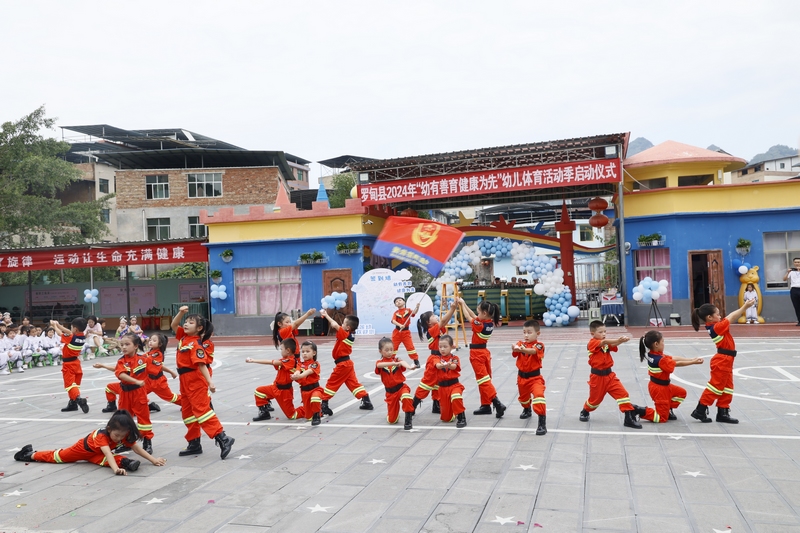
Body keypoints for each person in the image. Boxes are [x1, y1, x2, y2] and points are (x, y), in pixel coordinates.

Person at [13, 410, 166, 475]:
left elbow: (137, 448)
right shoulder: (102, 436)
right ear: (109, 428)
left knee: (107, 459)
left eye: (122, 436)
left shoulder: (122, 433)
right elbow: (107, 452)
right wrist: (115, 471)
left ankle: (126, 463)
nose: (119, 439)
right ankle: (29, 455)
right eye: (117, 435)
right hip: (81, 450)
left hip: (96, 454)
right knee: (58, 457)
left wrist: (153, 460)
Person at [171, 306, 235, 459]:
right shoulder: (183, 337)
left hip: (195, 379)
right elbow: (174, 325)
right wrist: (180, 313)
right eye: (186, 322)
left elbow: (201, 365)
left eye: (190, 323)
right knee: (187, 413)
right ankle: (194, 443)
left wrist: (210, 382)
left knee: (202, 411)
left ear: (199, 328)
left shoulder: (196, 344)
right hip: (184, 380)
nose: (186, 324)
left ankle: (223, 438)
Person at [690, 299, 755, 424]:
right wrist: (745, 307)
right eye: (718, 314)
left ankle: (723, 412)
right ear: (709, 317)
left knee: (728, 387)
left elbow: (729, 317)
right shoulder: (717, 327)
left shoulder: (715, 326)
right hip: (723, 360)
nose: (720, 316)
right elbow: (732, 317)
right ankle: (700, 409)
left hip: (727, 360)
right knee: (715, 387)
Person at [93, 333, 155, 454]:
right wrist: (136, 380)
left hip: (139, 393)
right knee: (123, 418)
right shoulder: (122, 360)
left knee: (143, 418)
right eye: (122, 345)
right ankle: (126, 442)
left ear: (136, 346)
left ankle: (147, 441)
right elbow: (120, 373)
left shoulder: (143, 359)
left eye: (127, 344)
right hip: (125, 393)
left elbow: (155, 367)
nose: (124, 347)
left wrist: (171, 372)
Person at [579, 321, 646, 429]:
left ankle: (628, 418)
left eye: (605, 331)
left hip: (610, 376)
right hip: (597, 378)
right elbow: (604, 342)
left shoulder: (605, 343)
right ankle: (585, 410)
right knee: (594, 401)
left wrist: (621, 341)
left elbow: (612, 344)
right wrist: (619, 339)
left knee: (623, 394)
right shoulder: (592, 343)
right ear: (592, 333)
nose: (604, 334)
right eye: (600, 332)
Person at [638, 330, 703, 423]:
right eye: (662, 341)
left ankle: (667, 408)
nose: (664, 344)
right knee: (661, 418)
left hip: (660, 386)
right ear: (656, 344)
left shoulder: (653, 354)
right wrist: (693, 362)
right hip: (660, 389)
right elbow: (677, 363)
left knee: (681, 393)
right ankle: (639, 411)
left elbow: (673, 358)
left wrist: (691, 359)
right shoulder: (661, 360)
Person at [318, 310, 373, 415]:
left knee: (332, 383)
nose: (341, 324)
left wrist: (326, 315)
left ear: (348, 327)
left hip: (342, 364)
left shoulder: (345, 334)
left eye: (343, 323)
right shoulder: (348, 335)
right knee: (353, 383)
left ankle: (324, 403)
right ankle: (366, 400)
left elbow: (334, 324)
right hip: (347, 364)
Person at [459, 299, 507, 418]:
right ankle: (485, 405)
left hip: (477, 354)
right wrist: (463, 303)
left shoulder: (479, 325)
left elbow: (468, 316)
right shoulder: (488, 323)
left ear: (484, 313)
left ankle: (497, 403)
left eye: (479, 312)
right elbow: (474, 315)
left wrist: (461, 306)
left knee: (483, 380)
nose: (477, 313)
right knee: (485, 379)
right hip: (484, 352)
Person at [413, 300, 458, 415]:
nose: (435, 316)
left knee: (438, 383)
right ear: (428, 322)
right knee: (427, 383)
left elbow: (444, 321)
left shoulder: (438, 328)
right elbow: (443, 321)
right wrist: (452, 309)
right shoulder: (431, 330)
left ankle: (436, 405)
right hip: (434, 359)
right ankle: (413, 405)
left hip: (441, 358)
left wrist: (447, 307)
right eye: (433, 316)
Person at [247, 338, 300, 421]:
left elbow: (272, 362)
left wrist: (254, 360)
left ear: (288, 350)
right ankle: (264, 412)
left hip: (284, 392)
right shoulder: (284, 360)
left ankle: (309, 410)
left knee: (292, 416)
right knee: (259, 391)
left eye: (281, 349)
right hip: (275, 387)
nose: (280, 351)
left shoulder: (291, 361)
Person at [512, 320, 548, 435]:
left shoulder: (539, 345)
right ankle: (527, 409)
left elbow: (533, 351)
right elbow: (515, 351)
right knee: (523, 399)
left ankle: (542, 422)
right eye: (524, 332)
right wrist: (514, 348)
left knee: (539, 396)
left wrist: (521, 349)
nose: (526, 335)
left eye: (529, 332)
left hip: (535, 378)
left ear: (537, 333)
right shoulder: (520, 343)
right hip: (521, 378)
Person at [50, 318, 90, 413]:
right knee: (75, 385)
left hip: (68, 364)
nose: (70, 329)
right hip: (76, 363)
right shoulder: (82, 337)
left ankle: (79, 399)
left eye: (71, 327)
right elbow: (69, 332)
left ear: (75, 329)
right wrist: (58, 324)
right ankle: (72, 403)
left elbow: (61, 334)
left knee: (70, 385)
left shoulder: (71, 338)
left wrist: (55, 326)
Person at [375, 337, 416, 430]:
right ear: (380, 351)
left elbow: (403, 362)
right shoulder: (380, 363)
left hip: (401, 388)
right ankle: (392, 414)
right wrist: (392, 364)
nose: (390, 352)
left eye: (391, 350)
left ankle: (408, 419)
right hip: (390, 393)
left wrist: (409, 367)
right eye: (387, 350)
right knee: (392, 421)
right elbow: (378, 365)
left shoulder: (396, 360)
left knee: (406, 397)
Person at [435, 335, 467, 428]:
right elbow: (437, 365)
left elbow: (454, 366)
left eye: (445, 347)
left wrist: (449, 365)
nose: (442, 349)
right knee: (446, 419)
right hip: (442, 388)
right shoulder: (437, 358)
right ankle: (453, 411)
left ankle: (462, 417)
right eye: (440, 347)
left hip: (454, 385)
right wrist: (441, 365)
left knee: (456, 396)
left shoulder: (455, 358)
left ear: (452, 346)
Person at [291, 341, 325, 426]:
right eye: (303, 352)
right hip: (305, 392)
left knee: (315, 398)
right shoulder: (300, 364)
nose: (304, 354)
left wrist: (299, 376)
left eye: (307, 351)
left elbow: (309, 372)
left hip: (315, 389)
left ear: (314, 353)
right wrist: (295, 375)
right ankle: (321, 408)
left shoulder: (315, 364)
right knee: (308, 417)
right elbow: (297, 371)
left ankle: (317, 416)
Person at [391, 297, 421, 368]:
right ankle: (390, 360)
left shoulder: (408, 310)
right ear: (395, 305)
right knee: (393, 347)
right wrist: (400, 325)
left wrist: (417, 307)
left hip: (406, 333)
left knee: (410, 347)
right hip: (397, 332)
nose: (398, 302)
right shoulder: (396, 313)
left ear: (404, 302)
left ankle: (416, 361)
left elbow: (414, 313)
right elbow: (393, 321)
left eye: (400, 300)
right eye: (396, 301)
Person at [783, 258, 800, 325]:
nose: (797, 263)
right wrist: (788, 272)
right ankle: (799, 321)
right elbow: (784, 279)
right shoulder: (792, 271)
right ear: (793, 263)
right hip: (794, 290)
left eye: (798, 262)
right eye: (796, 262)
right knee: (797, 306)